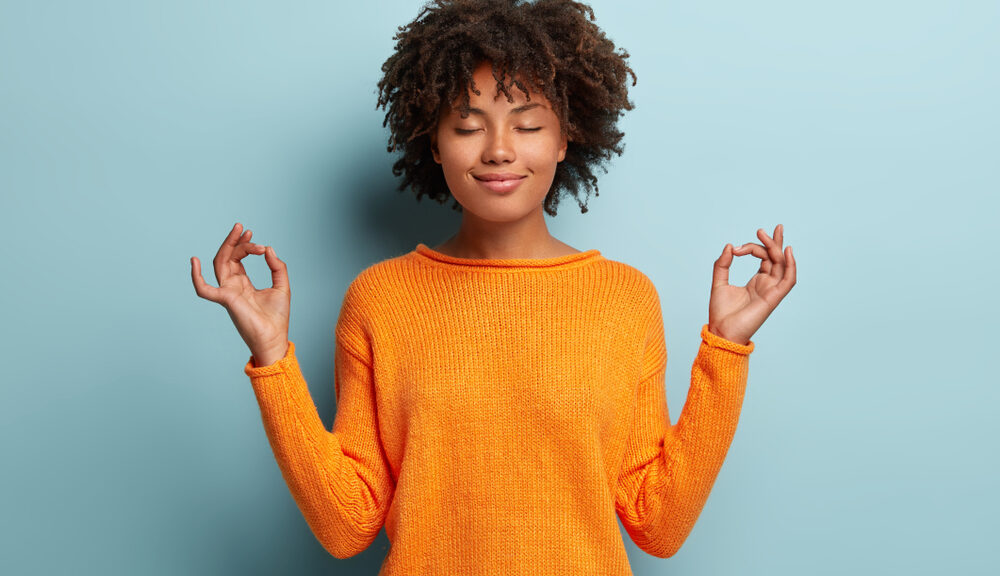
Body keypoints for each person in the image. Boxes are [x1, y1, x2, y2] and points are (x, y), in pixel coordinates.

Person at [190, 0, 796, 573]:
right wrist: (272, 358)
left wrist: (726, 348)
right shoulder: (380, 299)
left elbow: (658, 523)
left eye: (528, 125)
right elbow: (347, 525)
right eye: (468, 126)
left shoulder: (624, 300)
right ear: (434, 140)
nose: (500, 151)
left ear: (565, 138)